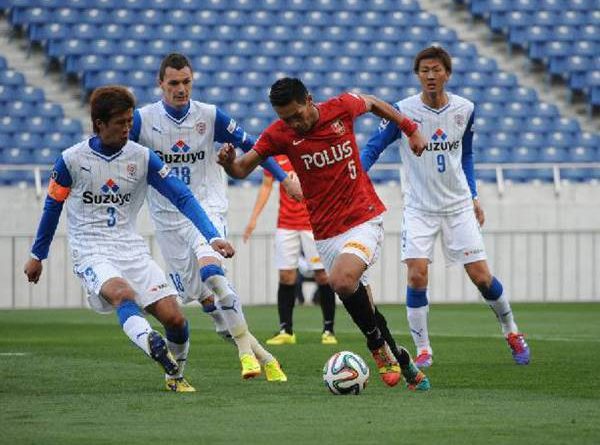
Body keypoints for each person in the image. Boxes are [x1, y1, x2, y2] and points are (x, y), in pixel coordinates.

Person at [218, 77, 431, 391]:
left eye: (297, 114)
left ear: (310, 99)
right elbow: (241, 169)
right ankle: (401, 358)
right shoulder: (279, 134)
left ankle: (375, 346)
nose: (294, 123)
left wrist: (410, 128)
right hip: (326, 232)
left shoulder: (340, 107)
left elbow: (372, 101)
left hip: (363, 216)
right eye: (285, 118)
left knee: (342, 281)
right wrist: (228, 164)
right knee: (365, 307)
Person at [24, 85, 237, 392]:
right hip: (90, 249)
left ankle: (174, 377)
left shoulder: (143, 158)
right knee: (122, 294)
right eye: (120, 123)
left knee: (176, 320)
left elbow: (183, 197)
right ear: (99, 124)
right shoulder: (71, 160)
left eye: (129, 121)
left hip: (131, 248)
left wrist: (212, 236)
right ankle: (151, 343)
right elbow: (51, 207)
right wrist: (37, 255)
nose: (128, 128)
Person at [361, 45, 530, 367]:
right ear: (417, 75)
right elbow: (372, 148)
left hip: (457, 207)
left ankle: (512, 331)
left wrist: (474, 196)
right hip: (419, 208)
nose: (430, 75)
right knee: (416, 275)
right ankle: (424, 349)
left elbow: (465, 154)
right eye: (424, 70)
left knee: (481, 277)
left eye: (436, 69)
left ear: (447, 74)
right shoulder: (402, 111)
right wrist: (353, 178)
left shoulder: (465, 109)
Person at [129, 53, 294, 381]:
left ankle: (246, 356)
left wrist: (285, 179)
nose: (181, 89)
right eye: (173, 83)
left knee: (213, 274)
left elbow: (256, 146)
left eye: (186, 82)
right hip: (167, 221)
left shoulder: (210, 116)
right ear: (160, 84)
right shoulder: (141, 121)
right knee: (207, 303)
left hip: (207, 208)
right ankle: (264, 356)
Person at [243, 155, 338, 345]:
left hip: (314, 224)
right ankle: (286, 330)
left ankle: (329, 330)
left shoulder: (311, 152)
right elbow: (266, 186)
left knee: (322, 275)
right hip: (286, 224)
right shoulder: (276, 157)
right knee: (286, 275)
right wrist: (253, 218)